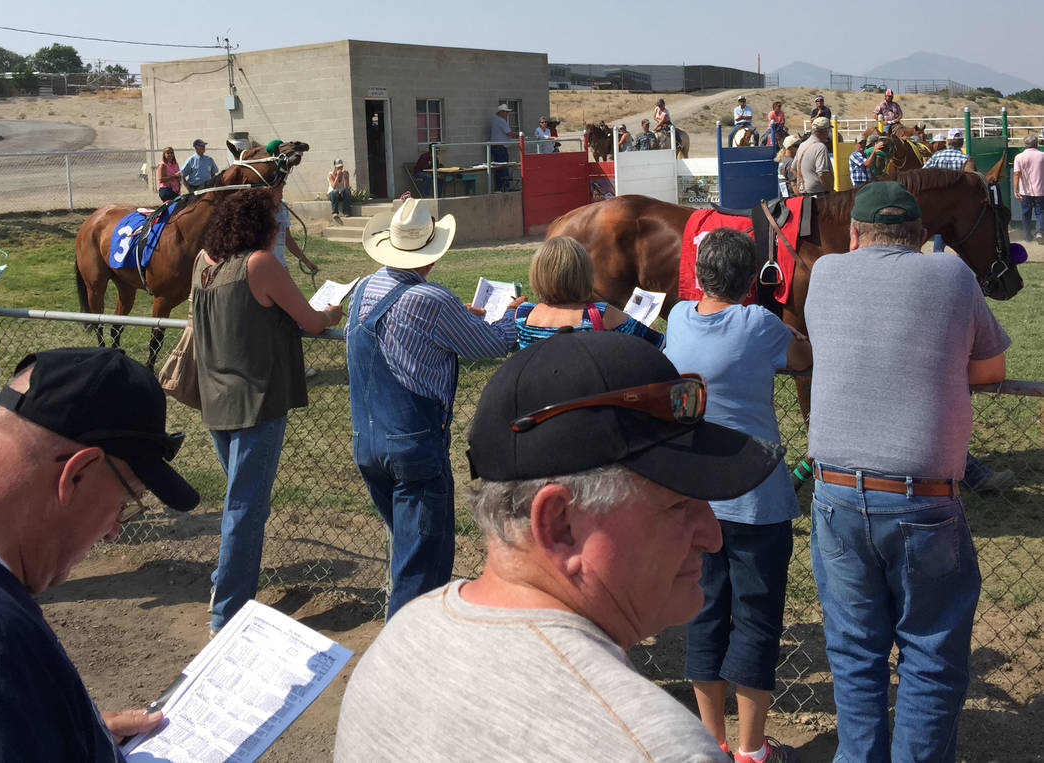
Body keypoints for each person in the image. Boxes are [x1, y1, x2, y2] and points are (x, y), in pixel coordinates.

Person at [334, 329, 786, 762]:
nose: (712, 535)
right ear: (559, 524)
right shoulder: (655, 746)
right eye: (678, 506)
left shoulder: (404, 638)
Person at [805, 181, 1010, 762]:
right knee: (931, 656)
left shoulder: (825, 273)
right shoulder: (950, 275)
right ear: (921, 237)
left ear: (854, 235)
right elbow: (992, 369)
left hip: (836, 493)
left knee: (853, 656)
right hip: (924, 499)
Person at [0, 346, 200, 758]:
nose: (112, 531)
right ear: (77, 474)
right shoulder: (3, 645)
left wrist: (66, 727)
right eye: (125, 502)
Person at [664, 227, 812, 763]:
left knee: (704, 614)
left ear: (699, 276)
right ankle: (753, 748)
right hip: (758, 498)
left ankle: (713, 744)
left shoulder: (679, 317)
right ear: (752, 280)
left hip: (698, 495)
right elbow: (800, 360)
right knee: (756, 619)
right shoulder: (758, 324)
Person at [348, 198, 523, 618]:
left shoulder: (363, 288)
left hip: (366, 443)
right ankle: (405, 661)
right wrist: (516, 316)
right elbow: (491, 344)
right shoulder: (432, 299)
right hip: (414, 447)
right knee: (422, 572)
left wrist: (455, 317)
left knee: (406, 553)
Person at [194, 187, 343, 635]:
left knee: (240, 502)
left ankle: (224, 588)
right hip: (256, 401)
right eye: (275, 220)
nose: (279, 228)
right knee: (246, 506)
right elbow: (312, 321)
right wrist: (333, 312)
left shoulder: (204, 262)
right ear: (259, 225)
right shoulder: (259, 264)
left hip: (215, 397)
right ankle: (229, 615)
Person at [514, 236, 664, 349]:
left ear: (537, 274)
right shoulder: (602, 314)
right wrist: (646, 329)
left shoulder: (523, 314)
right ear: (584, 274)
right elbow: (659, 343)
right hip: (592, 390)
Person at [922, 128, 976, 252]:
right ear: (961, 142)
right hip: (959, 202)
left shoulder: (936, 156)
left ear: (948, 141)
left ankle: (937, 255)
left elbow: (923, 173)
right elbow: (971, 181)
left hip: (939, 201)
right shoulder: (966, 158)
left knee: (941, 228)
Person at [270, 183, 318, 273]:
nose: (281, 196)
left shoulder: (283, 207)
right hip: (263, 268)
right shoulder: (257, 210)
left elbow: (288, 239)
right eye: (277, 191)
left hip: (280, 265)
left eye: (281, 191)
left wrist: (306, 262)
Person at [1013, 133, 1044, 244]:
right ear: (1036, 144)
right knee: (1040, 212)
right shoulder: (1042, 155)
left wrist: (1015, 190)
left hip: (1025, 191)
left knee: (1026, 213)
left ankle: (1027, 236)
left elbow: (1017, 174)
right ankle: (1039, 232)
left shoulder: (1019, 157)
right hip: (1040, 191)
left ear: (1025, 144)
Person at [793, 116, 833, 195]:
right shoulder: (820, 147)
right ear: (825, 131)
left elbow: (793, 168)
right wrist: (831, 190)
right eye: (829, 130)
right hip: (818, 194)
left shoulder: (802, 145)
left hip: (804, 193)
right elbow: (822, 173)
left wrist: (803, 182)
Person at [490, 103, 518, 191]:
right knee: (502, 169)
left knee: (500, 169)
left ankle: (500, 189)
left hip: (498, 147)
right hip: (500, 148)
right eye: (505, 112)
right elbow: (508, 133)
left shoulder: (496, 120)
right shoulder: (501, 121)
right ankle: (503, 189)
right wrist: (520, 134)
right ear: (501, 112)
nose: (507, 114)